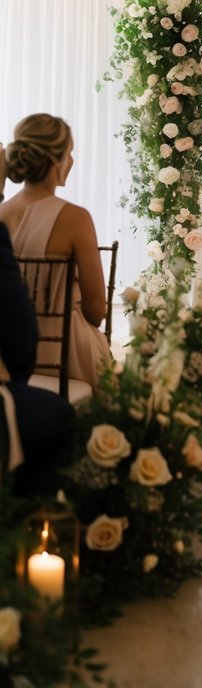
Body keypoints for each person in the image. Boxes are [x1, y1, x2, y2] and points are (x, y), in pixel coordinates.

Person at [0, 114, 111, 388]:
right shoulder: (76, 218)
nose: (71, 160)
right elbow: (97, 311)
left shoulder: (1, 214)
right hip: (68, 354)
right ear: (55, 160)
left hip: (8, 353)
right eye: (69, 152)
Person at [0, 219, 75, 494]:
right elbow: (20, 337)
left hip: (34, 353)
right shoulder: (76, 219)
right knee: (63, 416)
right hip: (52, 351)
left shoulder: (7, 212)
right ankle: (22, 528)